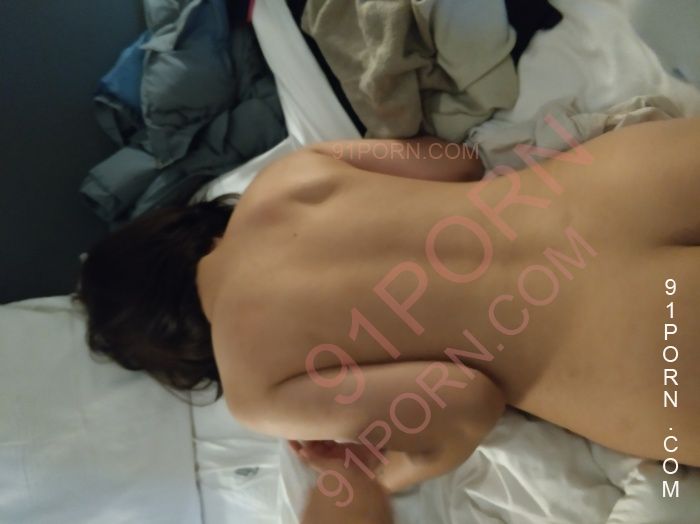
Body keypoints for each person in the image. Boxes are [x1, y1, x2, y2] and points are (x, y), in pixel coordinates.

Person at [74, 117, 700, 519]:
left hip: (633, 347)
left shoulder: (256, 392)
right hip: (637, 177)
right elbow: (458, 162)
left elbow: (466, 402)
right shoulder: (282, 179)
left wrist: (384, 469)